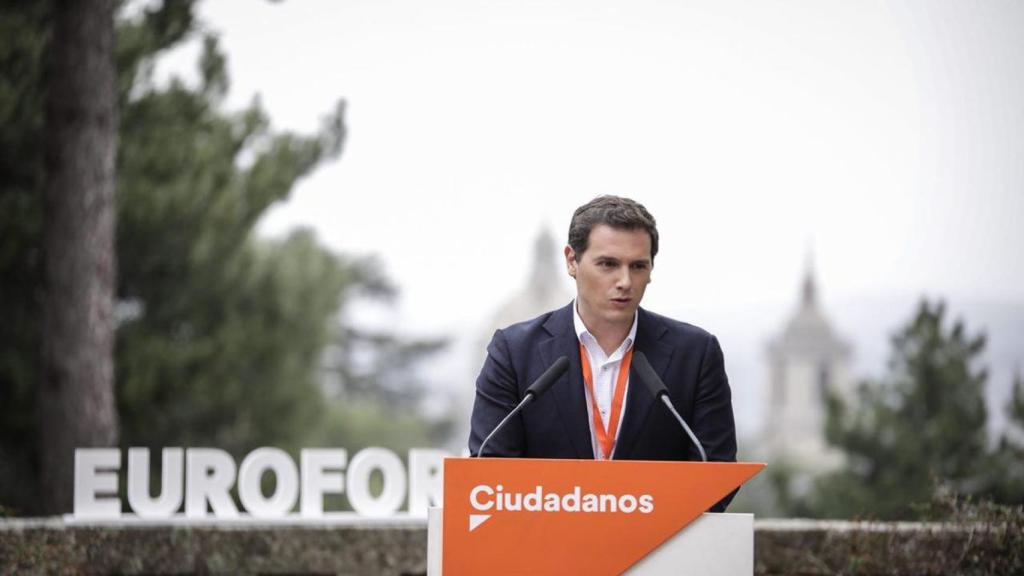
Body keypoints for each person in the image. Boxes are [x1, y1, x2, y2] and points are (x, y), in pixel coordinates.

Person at [468, 195, 738, 508]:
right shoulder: (514, 351)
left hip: (661, 548)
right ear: (572, 261)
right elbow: (491, 473)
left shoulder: (695, 354)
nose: (625, 281)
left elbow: (715, 474)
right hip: (546, 548)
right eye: (608, 264)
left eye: (638, 266)